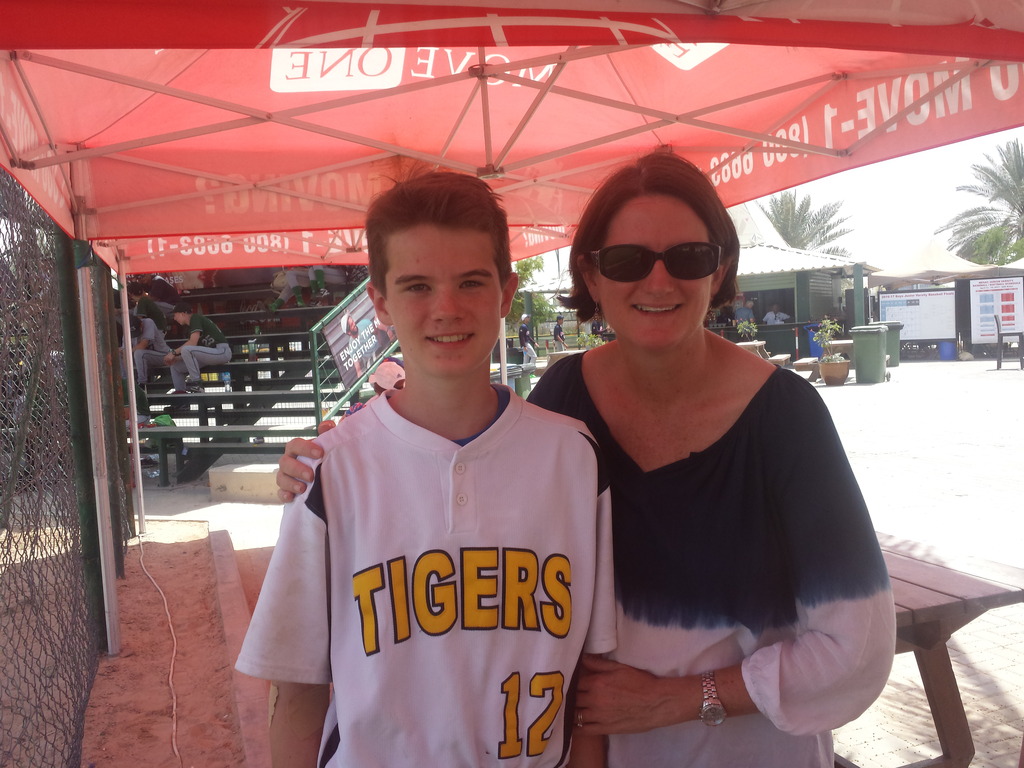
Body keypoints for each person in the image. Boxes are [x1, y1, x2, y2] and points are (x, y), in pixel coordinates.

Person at [275, 150, 895, 767]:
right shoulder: (564, 402)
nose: (659, 281)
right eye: (627, 260)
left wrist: (678, 700)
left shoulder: (784, 417)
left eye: (688, 256)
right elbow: (470, 500)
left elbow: (857, 651)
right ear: (593, 278)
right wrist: (342, 456)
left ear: (719, 270)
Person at [237, 171, 617, 768]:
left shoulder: (574, 457)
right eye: (417, 286)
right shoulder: (328, 471)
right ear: (380, 303)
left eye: (471, 281)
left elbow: (590, 677)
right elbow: (298, 689)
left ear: (506, 293)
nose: (447, 308)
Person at [163, 302, 232, 393]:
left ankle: (197, 384)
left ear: (183, 314)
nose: (174, 318)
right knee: (175, 366)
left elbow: (192, 343)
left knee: (186, 349)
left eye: (175, 315)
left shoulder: (195, 318)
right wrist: (177, 358)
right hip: (209, 353)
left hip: (221, 351)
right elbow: (193, 350)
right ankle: (181, 395)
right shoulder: (189, 327)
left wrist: (173, 353)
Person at [129, 313, 171, 385]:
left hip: (163, 356)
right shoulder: (127, 329)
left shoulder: (148, 322)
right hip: (145, 359)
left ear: (141, 324)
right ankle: (125, 380)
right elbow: (124, 352)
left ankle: (142, 383)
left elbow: (143, 345)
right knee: (120, 355)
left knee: (139, 353)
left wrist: (128, 350)